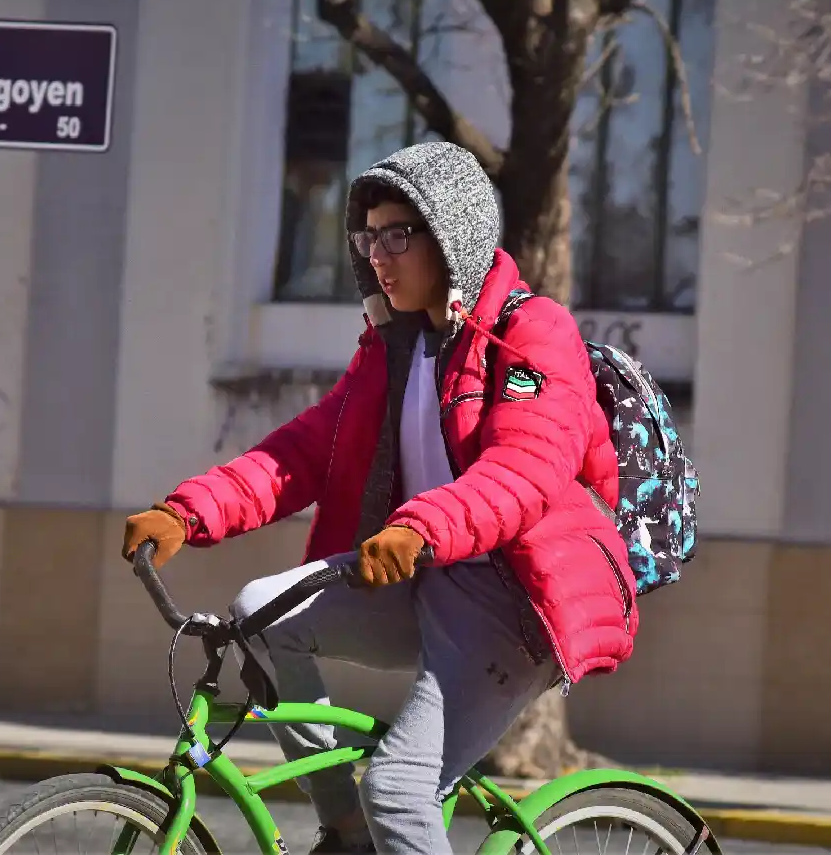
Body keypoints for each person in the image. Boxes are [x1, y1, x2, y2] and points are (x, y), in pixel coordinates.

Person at [120, 141, 637, 854]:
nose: (379, 255)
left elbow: (526, 468)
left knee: (400, 787)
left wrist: (421, 527)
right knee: (259, 615)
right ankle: (348, 831)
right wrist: (188, 511)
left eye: (400, 234)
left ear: (453, 235)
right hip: (422, 574)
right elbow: (302, 453)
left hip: (513, 601)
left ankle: (381, 814)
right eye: (370, 237)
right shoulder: (395, 349)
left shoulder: (531, 332)